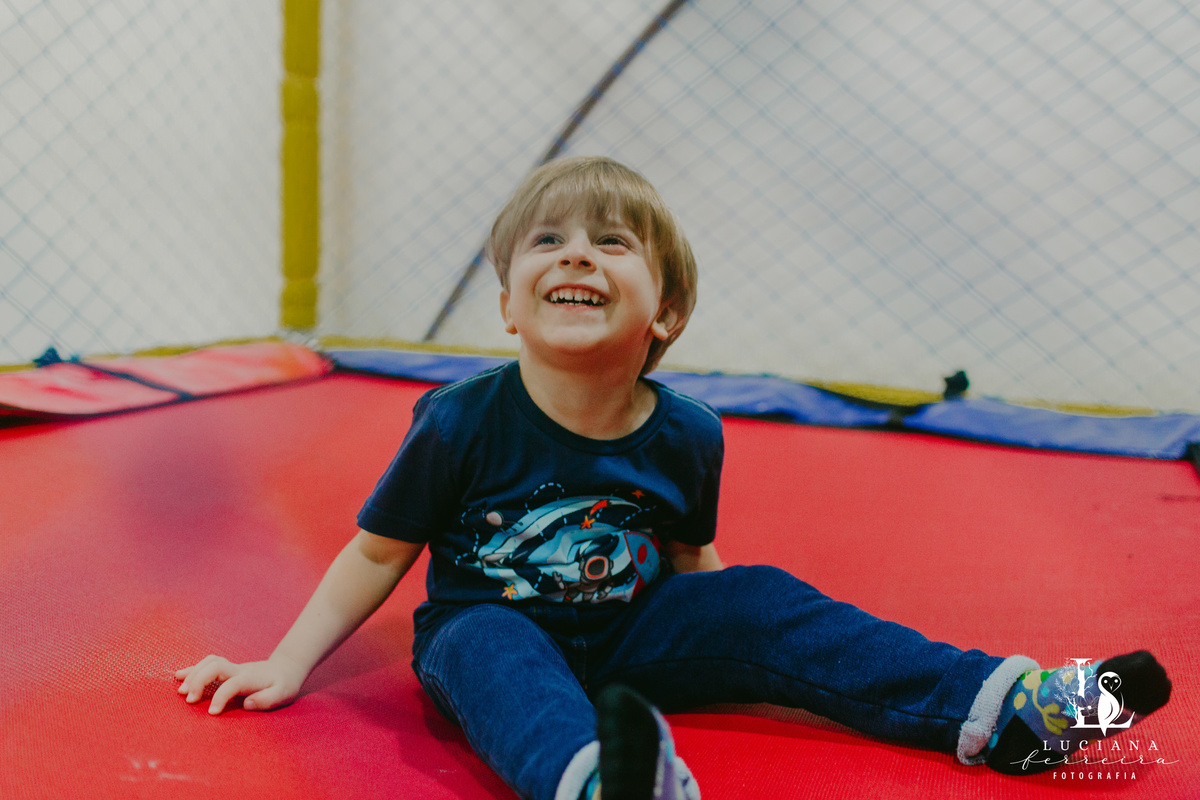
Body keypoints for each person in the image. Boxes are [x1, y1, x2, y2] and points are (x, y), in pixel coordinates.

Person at [176, 156, 1170, 800]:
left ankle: (1011, 708)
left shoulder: (688, 430)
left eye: (612, 243)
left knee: (766, 597)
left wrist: (741, 624)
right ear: (511, 307)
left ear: (667, 312)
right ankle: (605, 781)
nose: (578, 255)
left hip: (633, 628)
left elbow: (693, 556)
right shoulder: (460, 418)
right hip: (490, 623)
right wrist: (287, 660)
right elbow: (377, 548)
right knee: (494, 649)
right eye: (549, 242)